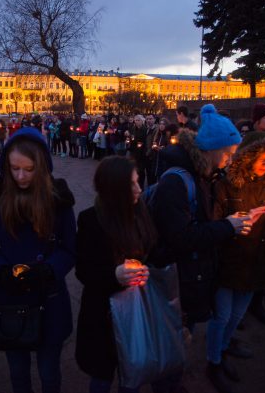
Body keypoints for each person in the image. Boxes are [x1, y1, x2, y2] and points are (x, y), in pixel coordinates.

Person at [0, 127, 76, 393]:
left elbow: (69, 248)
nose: (21, 176)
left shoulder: (58, 199)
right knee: (18, 373)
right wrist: (0, 271)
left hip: (50, 299)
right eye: (14, 168)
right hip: (11, 298)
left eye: (29, 169)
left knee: (49, 372)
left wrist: (48, 270)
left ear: (41, 166)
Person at [77, 156, 176, 393]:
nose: (139, 189)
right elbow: (84, 270)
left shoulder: (141, 210)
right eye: (130, 184)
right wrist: (115, 275)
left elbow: (155, 249)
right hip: (104, 315)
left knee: (133, 372)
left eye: (138, 181)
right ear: (112, 188)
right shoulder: (90, 219)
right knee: (102, 377)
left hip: (141, 308)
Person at [151, 104, 250, 333]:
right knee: (174, 340)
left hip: (194, 275)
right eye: (228, 152)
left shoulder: (205, 175)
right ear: (211, 150)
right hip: (178, 280)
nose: (231, 159)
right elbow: (181, 238)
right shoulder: (176, 182)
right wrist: (228, 227)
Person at [208, 133, 265, 393]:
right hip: (228, 260)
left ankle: (223, 351)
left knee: (236, 314)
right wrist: (234, 224)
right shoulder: (226, 185)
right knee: (222, 315)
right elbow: (214, 223)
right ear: (247, 156)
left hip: (256, 261)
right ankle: (213, 362)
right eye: (261, 158)